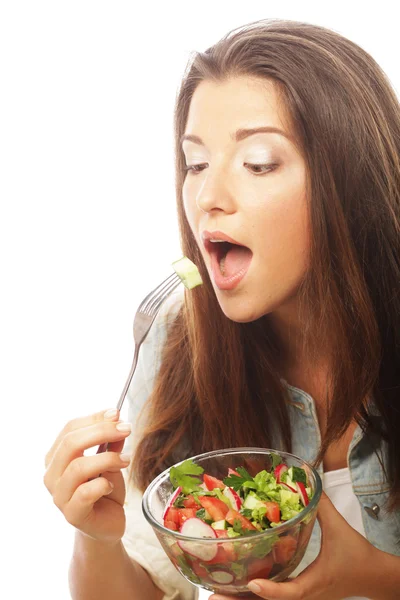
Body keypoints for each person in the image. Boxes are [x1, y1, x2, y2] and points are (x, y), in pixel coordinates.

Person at [43, 17, 400, 600]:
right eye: (195, 163)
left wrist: (377, 579)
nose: (208, 197)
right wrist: (96, 534)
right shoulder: (177, 338)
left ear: (349, 181)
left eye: (258, 163)